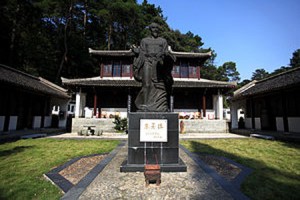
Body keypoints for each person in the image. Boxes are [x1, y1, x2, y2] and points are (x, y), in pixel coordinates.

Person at [133, 23, 175, 112]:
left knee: (160, 85)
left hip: (159, 64)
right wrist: (137, 52)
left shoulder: (163, 41)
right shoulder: (144, 41)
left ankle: (160, 105)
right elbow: (142, 52)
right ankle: (143, 105)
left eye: (157, 28)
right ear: (150, 29)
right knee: (146, 84)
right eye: (153, 28)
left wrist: (165, 55)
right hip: (147, 62)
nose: (155, 29)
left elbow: (166, 52)